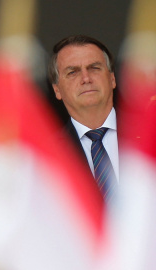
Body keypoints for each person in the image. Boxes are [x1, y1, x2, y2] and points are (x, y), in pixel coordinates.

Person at [48, 35, 119, 201]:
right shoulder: (50, 155)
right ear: (57, 90)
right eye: (72, 72)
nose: (86, 79)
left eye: (94, 68)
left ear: (112, 78)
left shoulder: (149, 138)